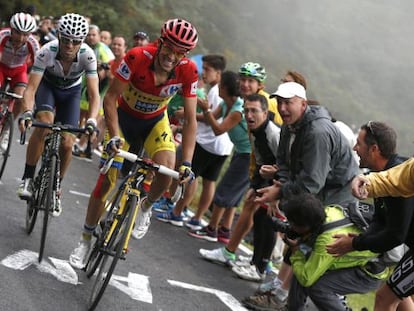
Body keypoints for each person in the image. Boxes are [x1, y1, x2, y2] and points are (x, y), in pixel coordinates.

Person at [68, 18, 199, 269]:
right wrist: (114, 136)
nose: (172, 56)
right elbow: (111, 99)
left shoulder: (189, 71)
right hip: (124, 120)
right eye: (169, 48)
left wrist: (187, 163)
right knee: (106, 180)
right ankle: (85, 240)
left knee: (166, 171)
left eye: (179, 52)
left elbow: (191, 121)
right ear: (160, 42)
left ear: (186, 54)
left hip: (154, 122)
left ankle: (145, 207)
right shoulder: (137, 57)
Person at [16, 13, 100, 218]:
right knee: (44, 123)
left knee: (68, 143)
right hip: (48, 87)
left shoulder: (88, 56)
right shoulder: (47, 51)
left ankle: (56, 187)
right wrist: (27, 113)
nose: (70, 45)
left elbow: (94, 94)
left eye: (76, 41)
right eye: (66, 40)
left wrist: (91, 120)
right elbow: (31, 88)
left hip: (71, 93)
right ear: (59, 37)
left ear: (82, 41)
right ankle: (27, 177)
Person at [243, 192, 385, 311]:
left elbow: (306, 278)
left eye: (292, 224)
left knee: (318, 287)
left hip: (369, 271)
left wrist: (295, 250)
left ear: (304, 225)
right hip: (355, 260)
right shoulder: (327, 212)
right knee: (305, 263)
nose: (289, 227)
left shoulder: (327, 240)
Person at [326, 121, 414, 311]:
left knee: (385, 298)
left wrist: (355, 244)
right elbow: (380, 219)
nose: (355, 148)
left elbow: (396, 234)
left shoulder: (398, 180)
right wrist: (359, 239)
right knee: (396, 297)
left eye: (359, 143)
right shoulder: (383, 174)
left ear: (374, 149)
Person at [201, 93, 281, 283]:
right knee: (260, 216)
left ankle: (262, 267)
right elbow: (257, 157)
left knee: (268, 219)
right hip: (267, 177)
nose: (249, 115)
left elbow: (287, 164)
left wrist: (277, 193)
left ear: (265, 112)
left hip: (282, 180)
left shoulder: (273, 133)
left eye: (254, 111)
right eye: (246, 110)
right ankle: (257, 262)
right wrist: (255, 185)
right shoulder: (254, 130)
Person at [155, 54, 233, 228]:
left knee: (189, 173)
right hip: (221, 146)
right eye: (202, 69)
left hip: (207, 142)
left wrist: (187, 114)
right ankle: (194, 216)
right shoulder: (216, 90)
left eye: (207, 70)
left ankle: (176, 209)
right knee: (207, 181)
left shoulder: (216, 92)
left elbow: (210, 116)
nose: (203, 73)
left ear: (218, 73)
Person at [186, 70, 251, 243]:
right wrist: (190, 114)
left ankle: (212, 229)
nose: (218, 87)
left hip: (248, 155)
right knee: (233, 195)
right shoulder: (226, 104)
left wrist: (206, 109)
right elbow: (211, 118)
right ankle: (224, 231)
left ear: (225, 88)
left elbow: (218, 129)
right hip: (240, 151)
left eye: (221, 84)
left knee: (224, 191)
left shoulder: (237, 110)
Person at [72, 24, 114, 159]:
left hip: (100, 89)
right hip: (84, 85)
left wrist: (100, 72)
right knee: (80, 115)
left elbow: (107, 70)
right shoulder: (87, 46)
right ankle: (75, 141)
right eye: (89, 35)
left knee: (93, 118)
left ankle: (83, 145)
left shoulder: (103, 50)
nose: (91, 37)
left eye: (93, 35)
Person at [0, 12, 40, 119]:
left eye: (26, 34)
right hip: (1, 67)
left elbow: (38, 67)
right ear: (11, 30)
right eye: (18, 33)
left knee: (21, 97)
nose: (21, 38)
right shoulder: (3, 35)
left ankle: (8, 125)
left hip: (19, 70)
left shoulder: (33, 43)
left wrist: (31, 84)